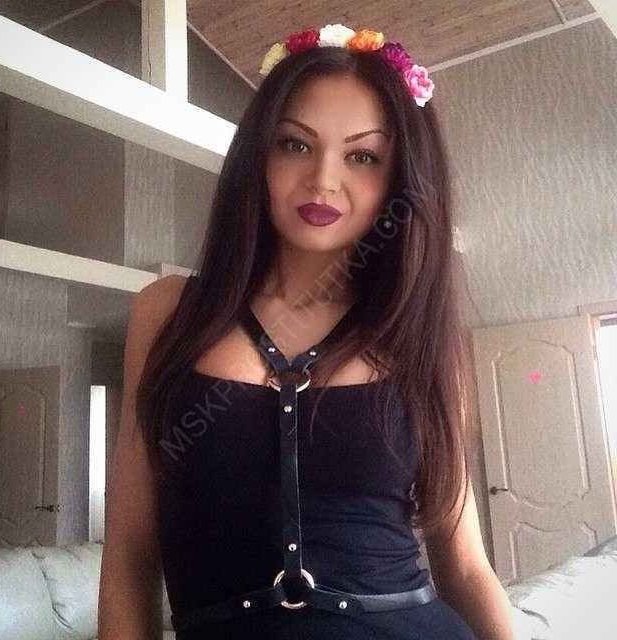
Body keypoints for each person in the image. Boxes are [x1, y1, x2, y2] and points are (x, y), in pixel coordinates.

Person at [98, 23, 515, 640]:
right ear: (258, 156)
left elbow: (465, 567)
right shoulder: (166, 312)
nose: (322, 179)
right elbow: (130, 553)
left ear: (399, 178)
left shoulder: (421, 338)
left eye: (363, 156)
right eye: (295, 145)